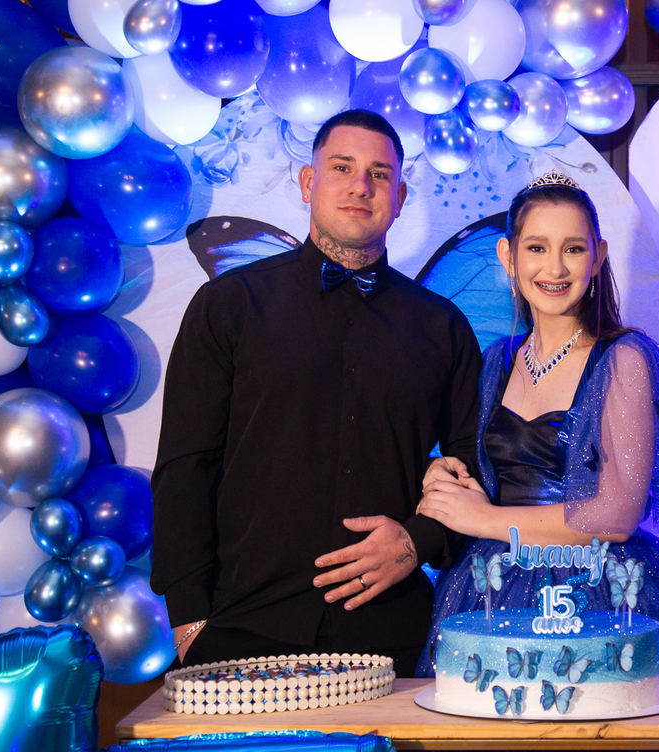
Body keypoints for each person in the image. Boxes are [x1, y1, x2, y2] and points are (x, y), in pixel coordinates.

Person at [400, 171, 659, 752]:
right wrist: (443, 471)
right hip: (493, 594)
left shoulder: (626, 358)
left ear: (599, 256)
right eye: (536, 247)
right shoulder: (497, 360)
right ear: (509, 257)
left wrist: (481, 520)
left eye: (573, 248)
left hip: (598, 596)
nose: (554, 267)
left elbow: (615, 514)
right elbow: (490, 472)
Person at [150, 110, 483, 677]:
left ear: (399, 197)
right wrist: (188, 618)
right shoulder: (229, 305)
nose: (361, 186)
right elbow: (186, 466)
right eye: (342, 168)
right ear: (308, 183)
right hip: (238, 629)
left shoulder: (442, 327)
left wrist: (417, 541)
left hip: (392, 634)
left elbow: (472, 464)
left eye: (379, 174)